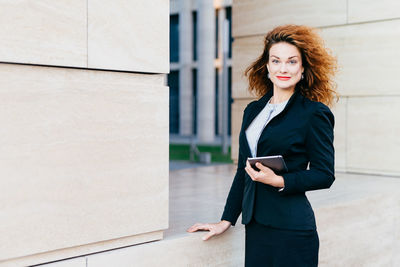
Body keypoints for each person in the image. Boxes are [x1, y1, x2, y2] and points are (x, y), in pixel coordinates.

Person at [187, 24, 339, 266]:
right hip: (257, 227)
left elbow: (324, 174)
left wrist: (279, 181)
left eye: (292, 62)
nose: (283, 68)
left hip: (292, 228)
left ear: (303, 68)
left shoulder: (313, 113)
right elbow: (243, 172)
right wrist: (226, 219)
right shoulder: (253, 111)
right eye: (276, 61)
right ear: (267, 66)